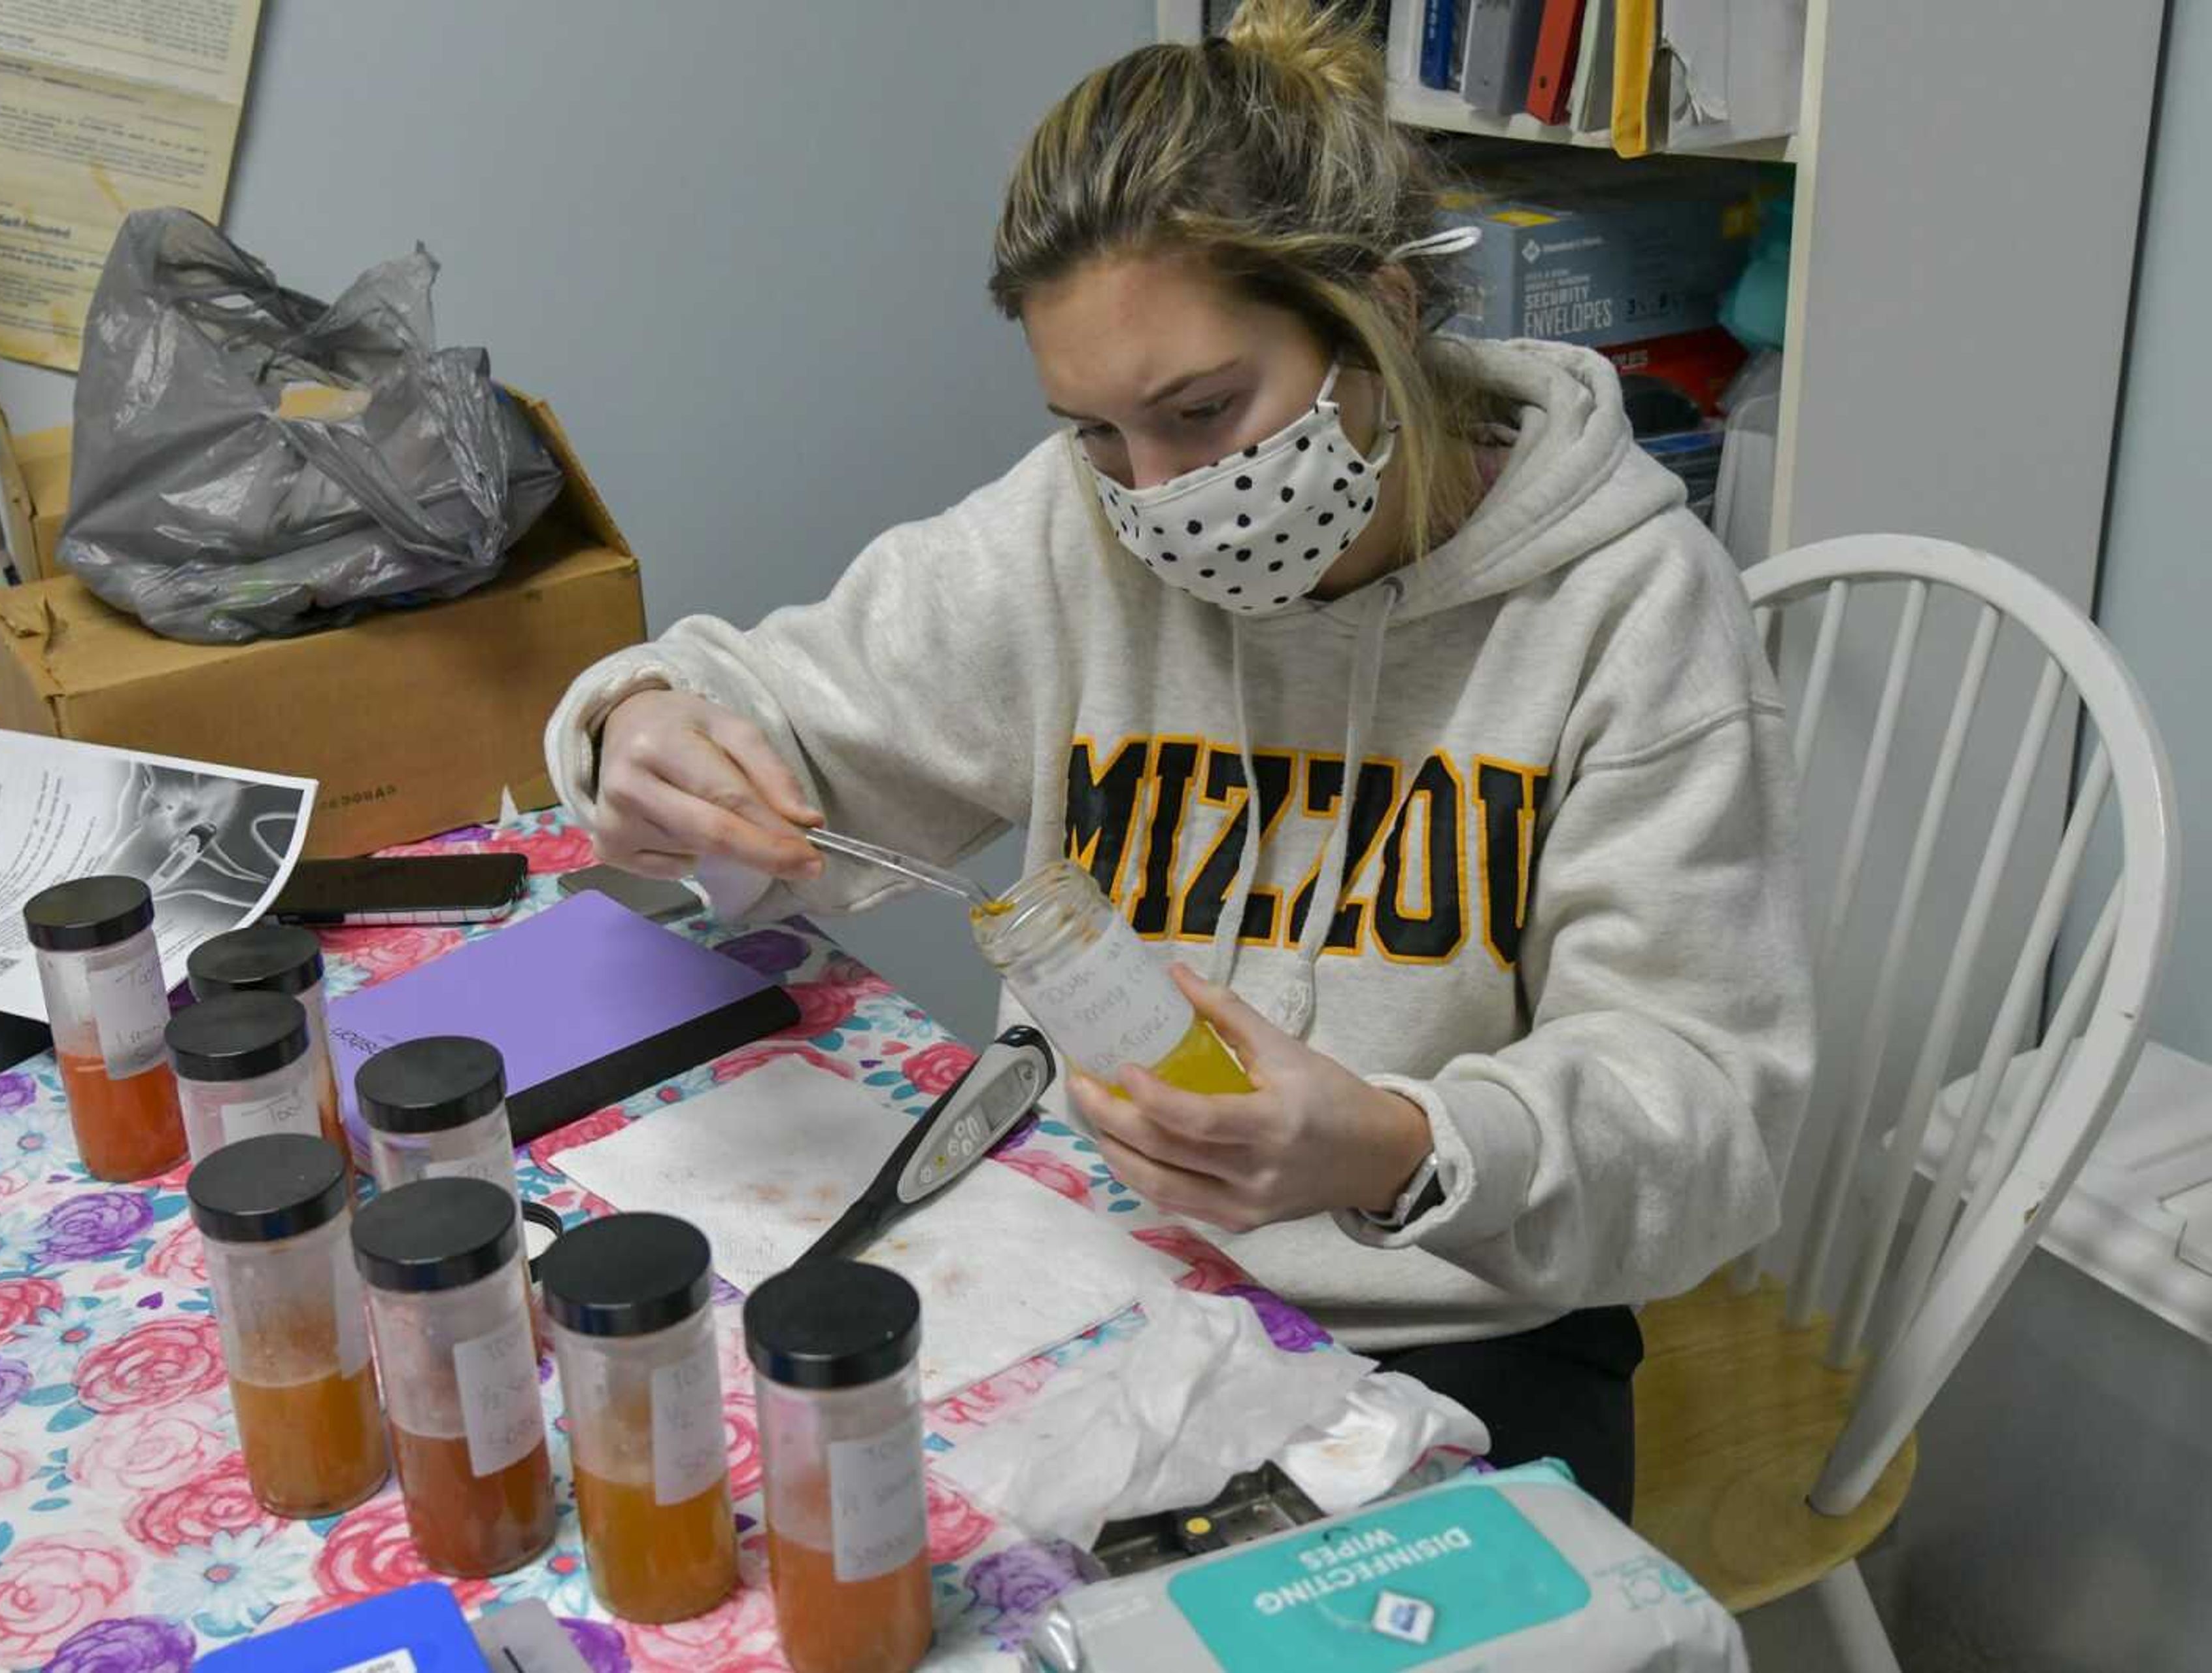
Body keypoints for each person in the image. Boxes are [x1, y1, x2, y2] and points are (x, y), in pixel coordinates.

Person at [543, 0, 1813, 1520]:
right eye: (1095, 433)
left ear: (1387, 318)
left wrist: (1399, 1146)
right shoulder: (1069, 528)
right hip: (1092, 1276)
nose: (1157, 501)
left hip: (1454, 1327)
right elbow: (769, 705)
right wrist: (641, 728)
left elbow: (1706, 1118)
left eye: (1204, 412)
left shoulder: (1628, 609)